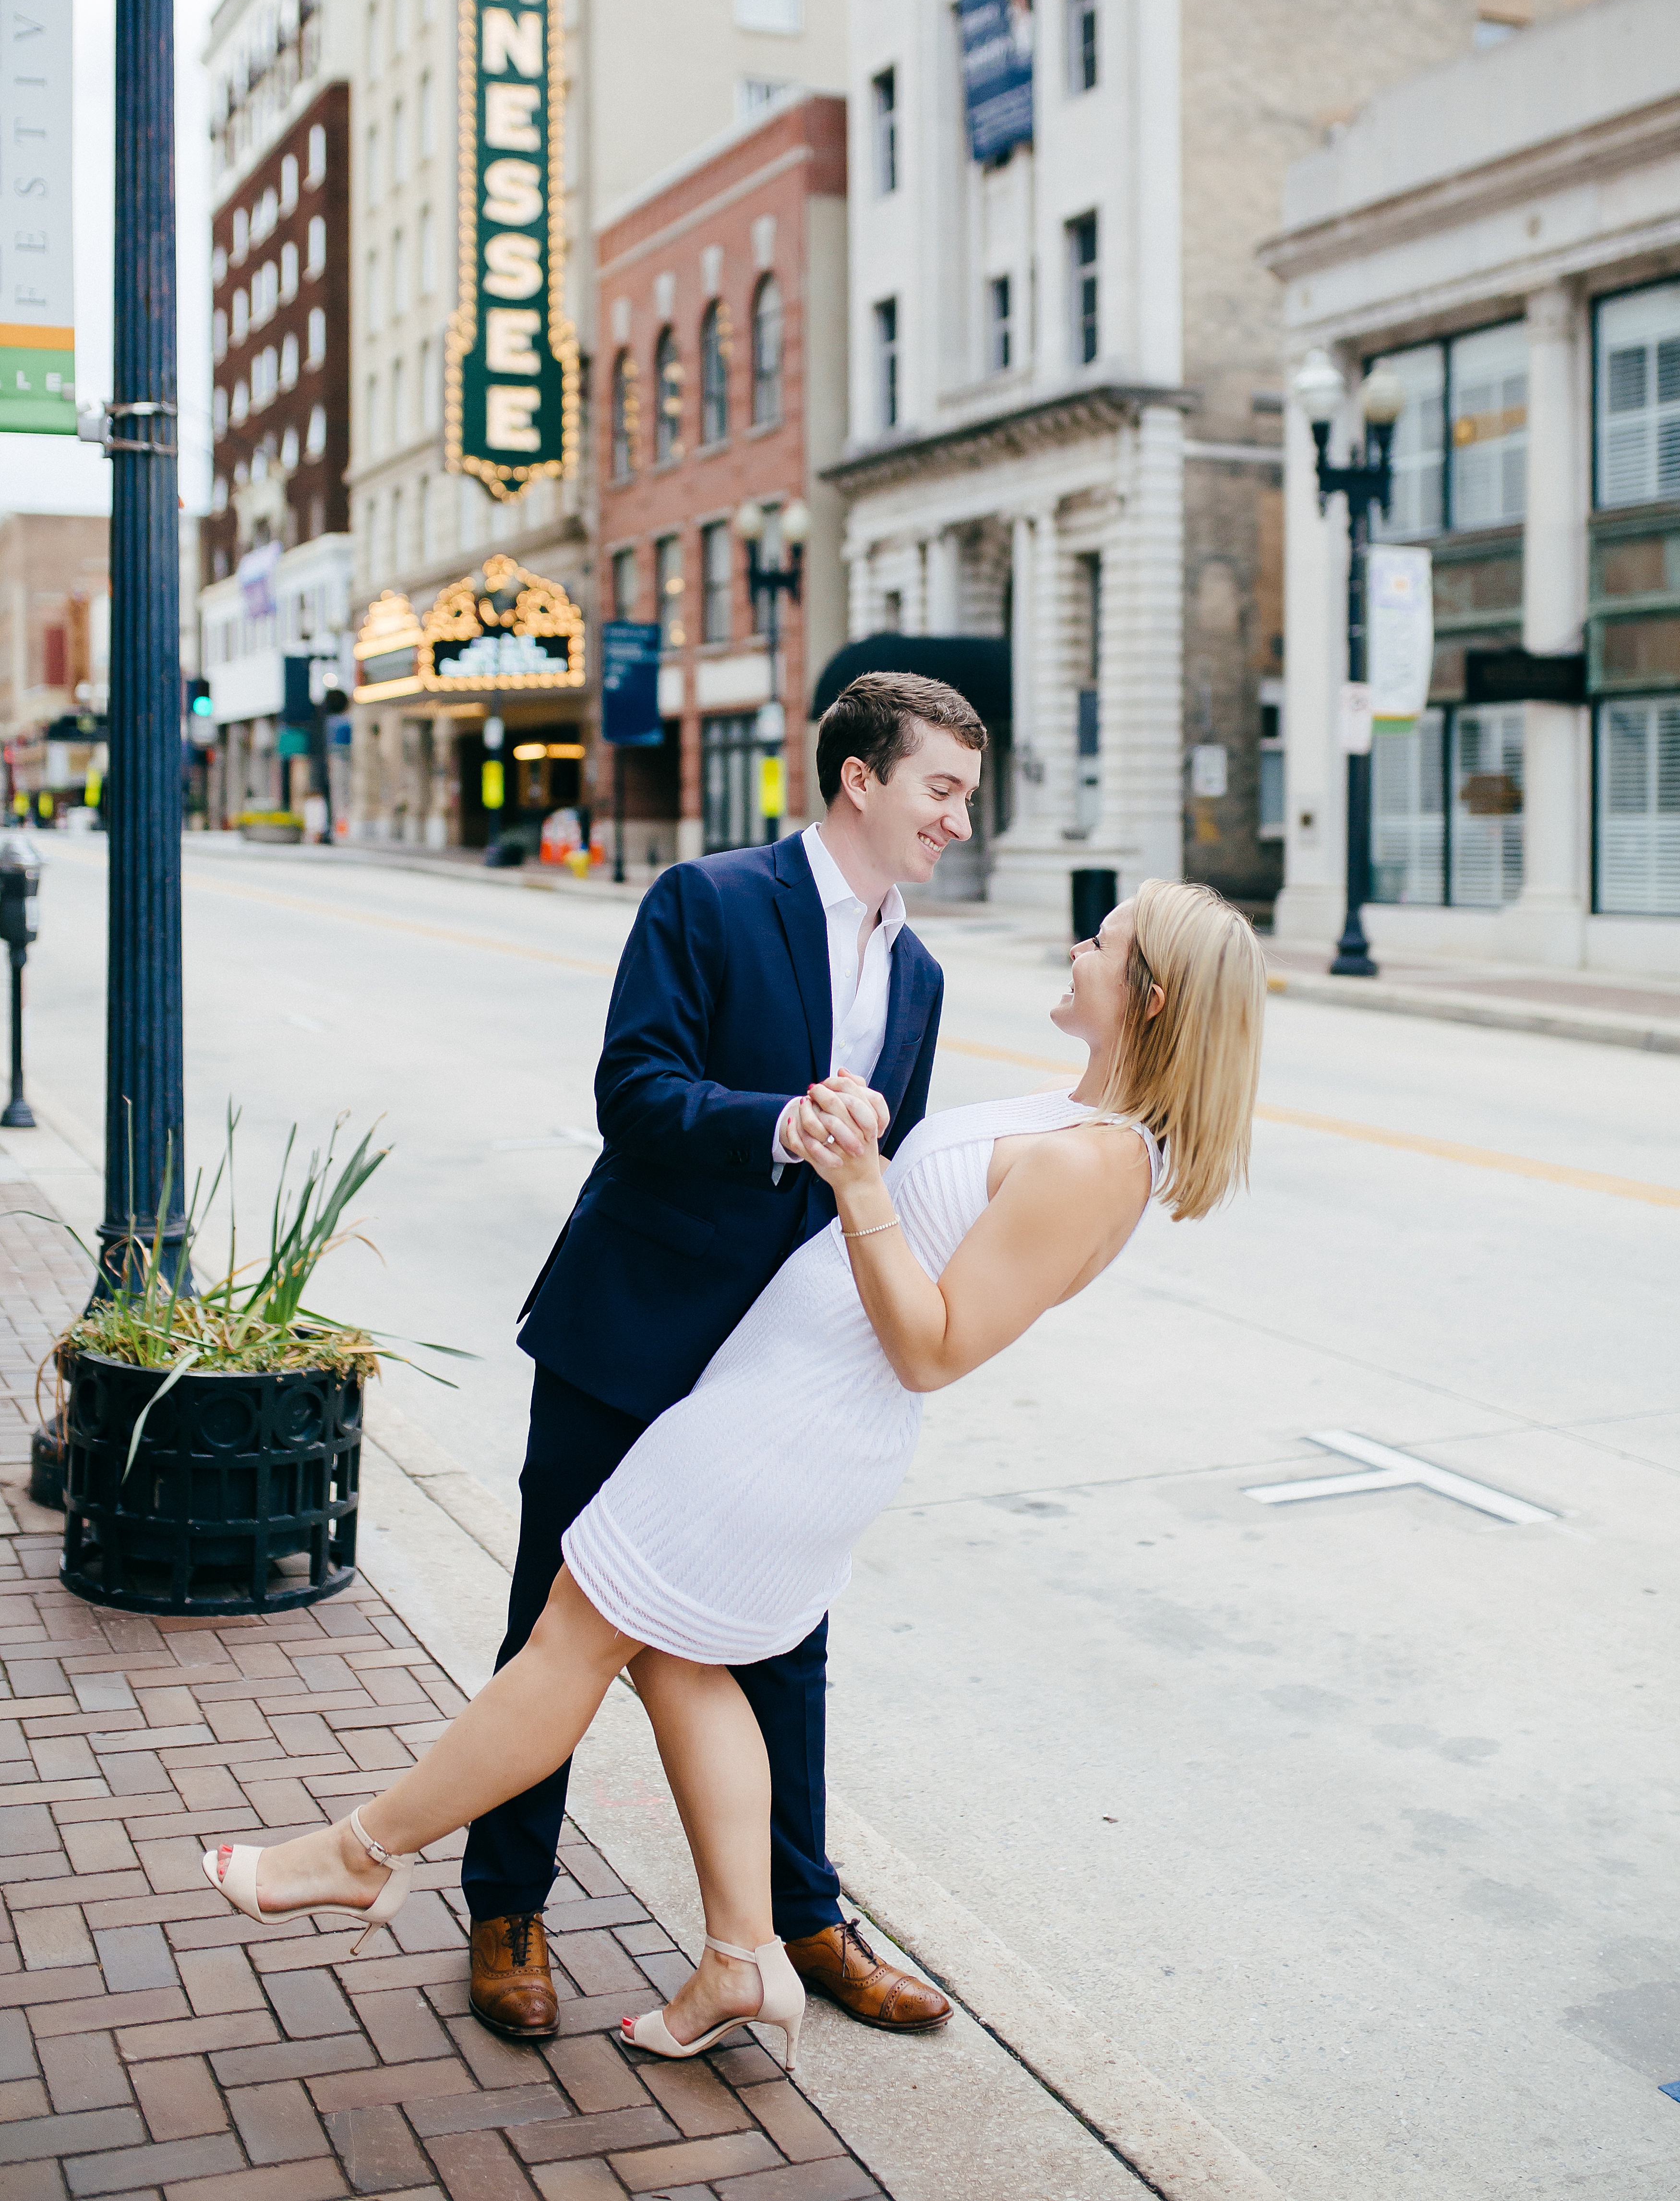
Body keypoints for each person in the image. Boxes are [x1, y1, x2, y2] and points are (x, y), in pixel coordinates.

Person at [204, 877, 1266, 2080]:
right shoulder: (1067, 1117)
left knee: (571, 1635)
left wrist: (861, 1181)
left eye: (1103, 941)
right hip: (763, 1412)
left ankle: (360, 1854)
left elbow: (935, 1348)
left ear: (1151, 995)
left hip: (791, 1432)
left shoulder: (1096, 1164)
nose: (1079, 948)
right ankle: (740, 1960)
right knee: (676, 1660)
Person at [472, 674, 983, 2038]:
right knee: (554, 1628)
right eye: (940, 788)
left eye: (967, 797)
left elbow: (889, 1181)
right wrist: (783, 1126)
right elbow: (634, 1095)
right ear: (861, 779)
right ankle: (508, 1905)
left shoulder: (921, 975)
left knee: (787, 1641)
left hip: (782, 1366)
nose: (957, 819)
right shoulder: (706, 899)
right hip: (631, 1330)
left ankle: (802, 1917)